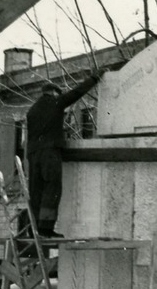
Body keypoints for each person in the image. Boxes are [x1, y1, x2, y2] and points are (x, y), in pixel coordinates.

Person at [26, 72, 102, 238]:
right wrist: (94, 78)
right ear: (54, 93)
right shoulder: (56, 102)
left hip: (33, 154)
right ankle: (46, 228)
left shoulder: (32, 110)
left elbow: (40, 130)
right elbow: (76, 93)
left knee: (36, 191)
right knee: (52, 189)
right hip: (50, 153)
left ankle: (34, 229)